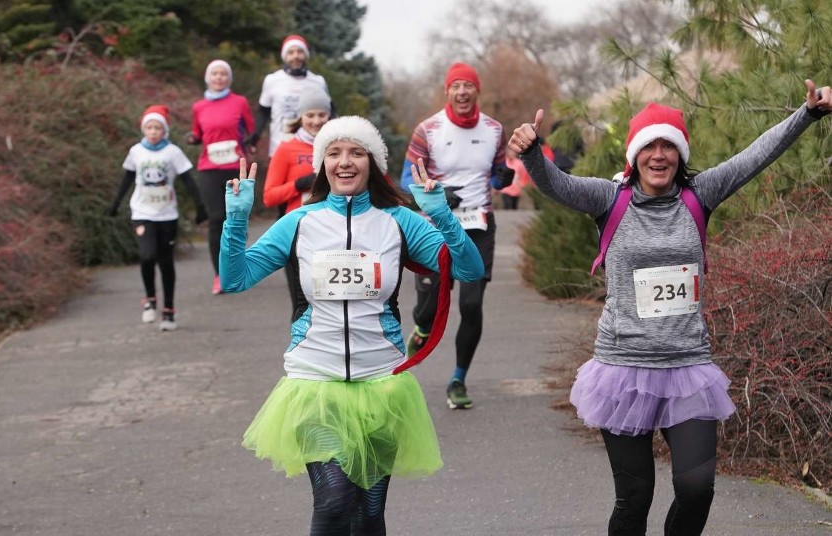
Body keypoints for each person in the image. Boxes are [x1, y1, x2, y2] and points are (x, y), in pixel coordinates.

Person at [508, 79, 832, 536]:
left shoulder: (700, 194)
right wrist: (530, 152)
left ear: (680, 154)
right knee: (635, 498)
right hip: (623, 368)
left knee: (697, 488)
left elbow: (757, 154)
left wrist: (809, 114)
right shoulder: (609, 199)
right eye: (649, 146)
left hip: (687, 367)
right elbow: (556, 184)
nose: (658, 155)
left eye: (668, 146)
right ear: (634, 154)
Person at [220, 116, 485, 534]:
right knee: (334, 501)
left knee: (369, 511)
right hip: (315, 382)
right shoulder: (300, 223)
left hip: (381, 383)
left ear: (373, 163)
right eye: (335, 152)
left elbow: (469, 269)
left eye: (356, 152)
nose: (345, 162)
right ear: (322, 163)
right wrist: (236, 219)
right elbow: (235, 279)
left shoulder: (398, 221)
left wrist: (440, 215)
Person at [400, 61, 513, 410]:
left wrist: (503, 179)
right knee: (430, 311)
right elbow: (406, 179)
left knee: (471, 304)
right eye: (456, 86)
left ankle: (458, 379)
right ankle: (420, 327)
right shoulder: (428, 129)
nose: (462, 92)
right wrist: (437, 193)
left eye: (469, 86)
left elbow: (495, 174)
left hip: (478, 227)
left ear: (478, 91)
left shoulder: (494, 130)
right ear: (447, 91)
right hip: (434, 228)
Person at [108, 105, 208, 331]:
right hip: (142, 212)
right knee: (147, 255)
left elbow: (188, 180)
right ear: (144, 129)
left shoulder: (172, 152)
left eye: (157, 128)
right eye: (149, 128)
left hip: (167, 214)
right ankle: (150, 299)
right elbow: (127, 179)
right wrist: (115, 204)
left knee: (165, 262)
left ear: (164, 131)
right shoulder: (136, 152)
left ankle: (169, 310)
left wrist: (201, 206)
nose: (153, 132)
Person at [186, 59, 255, 295]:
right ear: (208, 78)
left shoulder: (240, 102)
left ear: (229, 78)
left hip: (236, 166)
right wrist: (193, 139)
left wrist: (250, 144)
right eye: (214, 73)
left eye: (223, 74)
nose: (218, 77)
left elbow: (251, 129)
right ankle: (219, 275)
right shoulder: (199, 107)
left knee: (236, 217)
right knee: (216, 219)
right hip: (209, 167)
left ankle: (238, 268)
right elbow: (197, 133)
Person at [262, 84, 332, 310]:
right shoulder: (286, 149)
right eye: (310, 115)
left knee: (332, 304)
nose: (316, 121)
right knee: (303, 305)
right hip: (298, 232)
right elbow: (269, 197)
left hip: (334, 232)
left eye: (322, 114)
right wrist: (299, 184)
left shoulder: (339, 146)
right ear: (300, 117)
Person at [250, 34, 332, 161]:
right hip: (279, 147)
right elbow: (263, 112)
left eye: (300, 52)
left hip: (311, 150)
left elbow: (330, 113)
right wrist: (255, 137)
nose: (296, 56)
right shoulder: (272, 80)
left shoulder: (318, 81)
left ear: (305, 55)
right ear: (285, 56)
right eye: (291, 52)